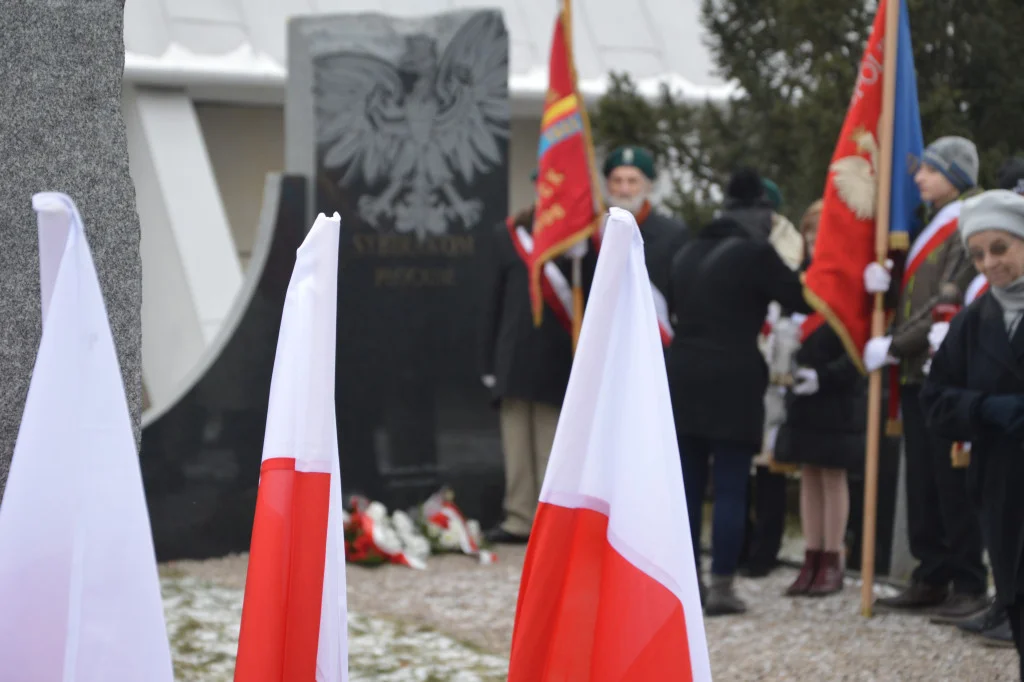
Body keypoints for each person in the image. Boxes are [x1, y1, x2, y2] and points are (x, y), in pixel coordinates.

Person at [665, 168, 818, 616]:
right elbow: (800, 299)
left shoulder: (686, 251)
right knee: (731, 484)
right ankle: (722, 586)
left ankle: (685, 581)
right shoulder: (756, 254)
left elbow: (676, 307)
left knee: (688, 486)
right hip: (733, 377)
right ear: (763, 213)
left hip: (683, 375)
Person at [867, 136, 990, 622]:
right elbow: (918, 296)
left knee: (949, 481)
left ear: (956, 176)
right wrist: (886, 282)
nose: (919, 177)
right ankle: (931, 572)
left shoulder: (966, 223)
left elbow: (950, 298)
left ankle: (967, 580)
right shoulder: (929, 225)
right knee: (921, 480)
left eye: (932, 170)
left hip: (945, 366)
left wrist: (894, 344)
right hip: (918, 371)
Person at [921, 189, 1024, 677]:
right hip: (1001, 484)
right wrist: (985, 409)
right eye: (978, 253)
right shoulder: (973, 321)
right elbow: (935, 399)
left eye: (1001, 248)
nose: (989, 263)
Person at [478, 177, 594, 544]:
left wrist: (584, 255)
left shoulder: (579, 238)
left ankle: (551, 518)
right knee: (516, 443)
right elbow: (492, 301)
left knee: (550, 444)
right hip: (513, 354)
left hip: (556, 355)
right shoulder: (508, 234)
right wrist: (487, 360)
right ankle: (519, 517)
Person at [774, 199, 868, 597]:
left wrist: (825, 377)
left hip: (836, 395)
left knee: (832, 476)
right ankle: (810, 556)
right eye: (810, 231)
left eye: (822, 231)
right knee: (807, 474)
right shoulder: (799, 280)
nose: (815, 239)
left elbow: (860, 348)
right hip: (801, 394)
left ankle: (833, 559)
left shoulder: (850, 282)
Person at [601, 145, 689, 349]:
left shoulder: (673, 234)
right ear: (608, 185)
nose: (624, 189)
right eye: (617, 181)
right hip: (605, 343)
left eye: (632, 181)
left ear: (647, 186)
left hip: (653, 345)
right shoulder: (593, 235)